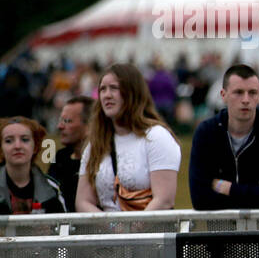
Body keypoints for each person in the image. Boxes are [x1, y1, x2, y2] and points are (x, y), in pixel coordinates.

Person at [188, 64, 259, 210]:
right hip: (220, 229)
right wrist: (258, 193)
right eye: (238, 92)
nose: (246, 99)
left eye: (252, 93)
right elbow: (200, 199)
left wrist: (231, 189)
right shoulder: (206, 133)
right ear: (223, 95)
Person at [77, 63, 181, 212]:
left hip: (148, 232)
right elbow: (82, 201)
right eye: (102, 89)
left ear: (132, 92)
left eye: (114, 88)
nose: (107, 95)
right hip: (109, 233)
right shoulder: (95, 144)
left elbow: (164, 200)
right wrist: (112, 230)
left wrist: (131, 230)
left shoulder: (156, 137)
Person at [0, 117, 66, 214]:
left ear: (35, 146)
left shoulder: (51, 189)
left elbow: (63, 226)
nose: (17, 146)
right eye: (9, 141)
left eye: (25, 139)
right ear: (1, 149)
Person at [49, 96, 93, 205]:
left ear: (89, 126)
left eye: (67, 121)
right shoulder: (60, 157)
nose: (60, 126)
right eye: (60, 120)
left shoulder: (104, 162)